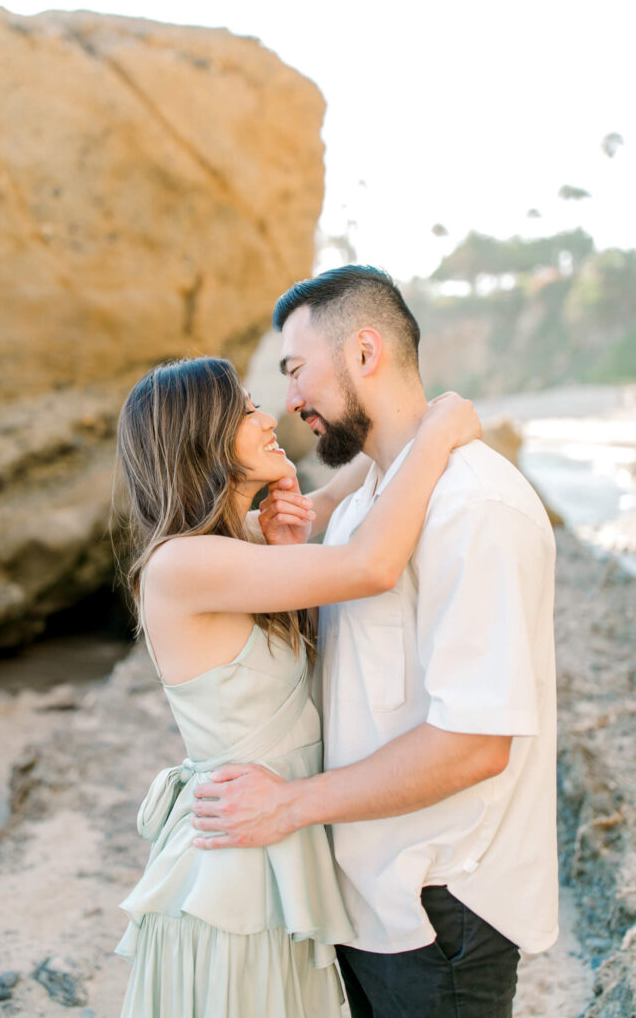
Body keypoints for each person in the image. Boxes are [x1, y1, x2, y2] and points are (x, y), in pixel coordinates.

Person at [191, 266, 560, 1018]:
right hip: (363, 894)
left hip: (439, 907)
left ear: (365, 354)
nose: (291, 401)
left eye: (297, 371)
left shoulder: (474, 508)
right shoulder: (368, 502)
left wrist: (289, 805)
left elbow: (475, 744)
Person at [112, 355, 481, 1018]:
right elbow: (370, 566)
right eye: (246, 409)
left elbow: (327, 513)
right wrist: (438, 433)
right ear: (202, 436)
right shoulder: (182, 565)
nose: (266, 417)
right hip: (232, 880)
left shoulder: (240, 546)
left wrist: (380, 450)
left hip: (271, 845)